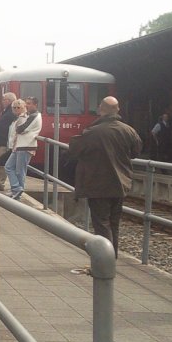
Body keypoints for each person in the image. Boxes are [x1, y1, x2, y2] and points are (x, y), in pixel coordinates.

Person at [67, 96, 142, 258]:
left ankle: (104, 261)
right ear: (118, 109)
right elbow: (136, 152)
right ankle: (112, 258)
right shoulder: (129, 131)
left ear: (101, 109)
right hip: (121, 184)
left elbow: (74, 149)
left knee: (101, 224)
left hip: (98, 184)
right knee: (114, 223)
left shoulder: (93, 132)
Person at [4, 96, 41, 199]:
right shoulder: (29, 116)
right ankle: (16, 189)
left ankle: (17, 192)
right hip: (20, 146)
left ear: (35, 105)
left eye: (29, 103)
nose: (27, 105)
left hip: (26, 146)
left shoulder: (34, 116)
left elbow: (21, 129)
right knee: (8, 167)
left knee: (19, 171)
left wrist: (20, 128)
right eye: (26, 103)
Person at [0, 92, 17, 191]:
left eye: (4, 100)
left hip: (5, 141)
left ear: (9, 101)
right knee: (0, 162)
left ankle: (0, 183)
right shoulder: (7, 111)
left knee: (1, 163)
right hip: (2, 141)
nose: (2, 102)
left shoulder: (11, 111)